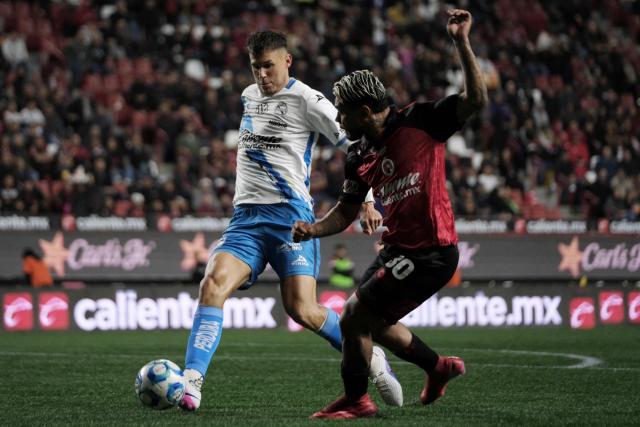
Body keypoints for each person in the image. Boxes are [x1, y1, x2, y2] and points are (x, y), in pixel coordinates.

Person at [179, 30, 403, 412]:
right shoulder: (249, 96)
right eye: (255, 68)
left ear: (287, 61)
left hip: (290, 218)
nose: (262, 75)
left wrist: (366, 198)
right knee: (211, 284)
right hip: (246, 219)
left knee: (303, 310)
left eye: (268, 66)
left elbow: (356, 143)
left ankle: (373, 358)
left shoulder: (308, 100)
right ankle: (191, 381)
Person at [292, 9, 488, 419]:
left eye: (343, 112)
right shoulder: (358, 154)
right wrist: (313, 229)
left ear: (365, 111)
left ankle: (357, 400)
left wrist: (461, 41)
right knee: (373, 323)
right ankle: (438, 368)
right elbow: (346, 210)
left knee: (351, 317)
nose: (340, 121)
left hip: (432, 251)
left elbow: (475, 100)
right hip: (398, 249)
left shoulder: (422, 121)